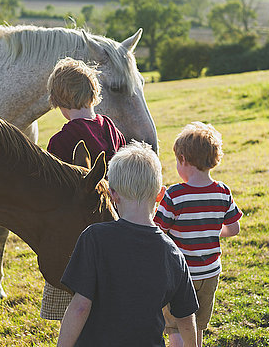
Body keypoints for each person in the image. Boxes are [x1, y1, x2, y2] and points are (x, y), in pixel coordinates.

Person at [57, 141, 199, 347]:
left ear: (113, 194)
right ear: (160, 194)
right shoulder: (173, 253)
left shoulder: (94, 238)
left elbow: (80, 307)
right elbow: (186, 317)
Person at [41, 57, 127, 322]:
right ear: (93, 93)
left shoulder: (61, 140)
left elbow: (54, 192)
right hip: (114, 218)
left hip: (80, 231)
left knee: (77, 301)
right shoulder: (111, 128)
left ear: (58, 102)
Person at [154, 122, 242, 347]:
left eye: (176, 161)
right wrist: (210, 230)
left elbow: (158, 231)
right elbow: (233, 228)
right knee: (197, 325)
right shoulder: (222, 191)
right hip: (210, 273)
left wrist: (157, 205)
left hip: (181, 274)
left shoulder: (174, 195)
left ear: (183, 159)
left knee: (175, 325)